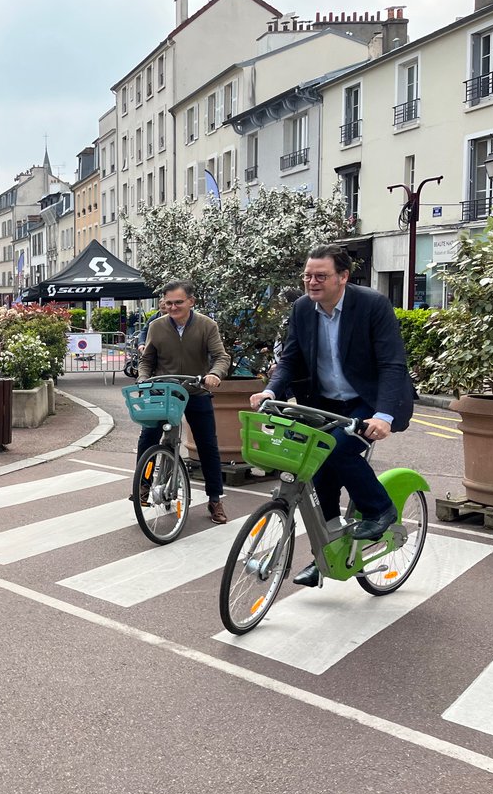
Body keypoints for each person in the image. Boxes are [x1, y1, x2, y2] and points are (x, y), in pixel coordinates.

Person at [251, 243, 414, 587]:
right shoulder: (302, 309)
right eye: (308, 275)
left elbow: (391, 363)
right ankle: (325, 554)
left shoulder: (372, 304)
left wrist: (383, 415)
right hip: (324, 401)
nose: (312, 282)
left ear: (343, 277)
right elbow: (290, 359)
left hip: (367, 401)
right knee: (316, 471)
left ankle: (380, 508)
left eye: (320, 276)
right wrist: (270, 391)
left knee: (337, 449)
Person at [136, 280, 231, 524]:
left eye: (178, 302)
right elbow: (147, 360)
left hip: (196, 391)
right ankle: (142, 487)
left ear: (191, 301)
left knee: (207, 445)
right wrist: (144, 378)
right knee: (148, 437)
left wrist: (214, 375)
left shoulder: (207, 325)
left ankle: (215, 499)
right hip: (164, 392)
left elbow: (221, 356)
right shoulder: (156, 326)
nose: (173, 307)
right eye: (168, 303)